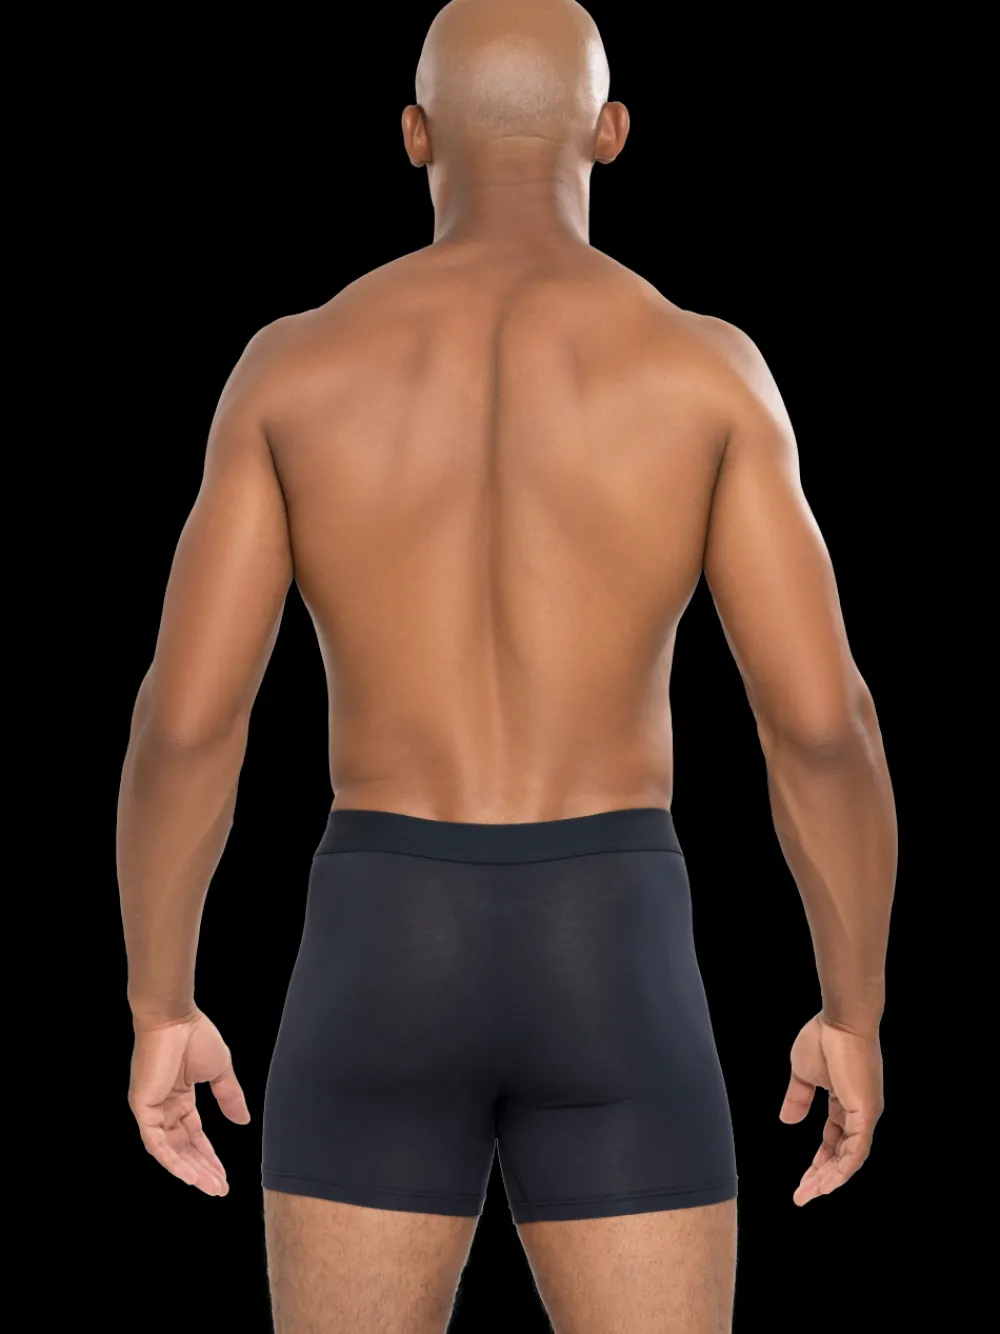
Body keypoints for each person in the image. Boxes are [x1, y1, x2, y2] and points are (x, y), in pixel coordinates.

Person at [117, 1, 897, 1329]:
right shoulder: (704, 371)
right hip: (615, 941)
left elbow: (187, 724)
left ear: (416, 136)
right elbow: (823, 729)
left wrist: (160, 1003)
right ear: (612, 132)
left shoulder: (293, 369)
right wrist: (853, 1012)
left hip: (379, 940)